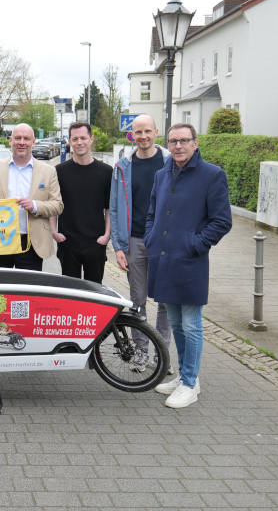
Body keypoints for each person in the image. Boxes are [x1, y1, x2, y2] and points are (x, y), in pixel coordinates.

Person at [146, 123, 232, 409]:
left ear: (195, 143)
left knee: (191, 324)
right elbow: (151, 213)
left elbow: (222, 221)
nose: (178, 146)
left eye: (184, 141)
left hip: (190, 261)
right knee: (175, 323)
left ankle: (191, 382)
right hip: (163, 259)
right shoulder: (161, 174)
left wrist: (194, 244)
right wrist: (151, 238)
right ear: (167, 144)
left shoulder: (212, 175)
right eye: (173, 141)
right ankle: (185, 376)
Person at [110, 114, 172, 372]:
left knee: (166, 301)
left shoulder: (170, 162)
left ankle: (162, 354)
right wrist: (118, 246)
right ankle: (141, 352)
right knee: (137, 300)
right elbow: (114, 208)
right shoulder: (123, 166)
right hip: (134, 239)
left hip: (165, 241)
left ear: (156, 132)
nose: (143, 136)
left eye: (148, 131)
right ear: (131, 135)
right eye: (138, 132)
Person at [0, 123, 63, 270]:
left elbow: (57, 205)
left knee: (27, 291)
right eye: (17, 138)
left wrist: (35, 205)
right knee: (0, 290)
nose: (22, 142)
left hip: (31, 243)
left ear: (33, 142)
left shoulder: (48, 171)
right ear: (11, 141)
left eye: (26, 139)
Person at [52, 122, 112, 283]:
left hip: (96, 242)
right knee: (71, 294)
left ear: (91, 139)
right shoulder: (59, 171)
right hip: (68, 242)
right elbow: (54, 204)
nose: (79, 142)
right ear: (70, 142)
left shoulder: (106, 172)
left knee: (95, 294)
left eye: (83, 138)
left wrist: (107, 236)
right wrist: (54, 232)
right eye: (75, 138)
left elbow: (109, 209)